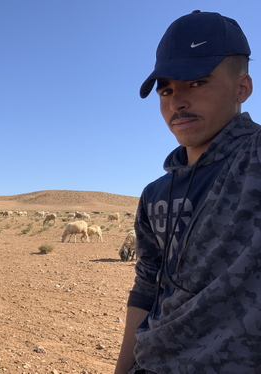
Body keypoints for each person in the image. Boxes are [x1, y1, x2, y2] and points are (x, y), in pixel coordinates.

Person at [114, 10, 261, 374]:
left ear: (242, 87)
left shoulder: (253, 161)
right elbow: (148, 286)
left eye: (196, 82)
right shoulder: (155, 195)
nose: (176, 101)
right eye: (166, 89)